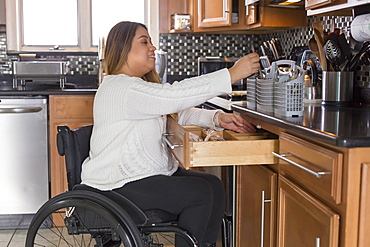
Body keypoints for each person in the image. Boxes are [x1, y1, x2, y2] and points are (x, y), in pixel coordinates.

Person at [81, 21, 260, 247]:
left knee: (212, 184)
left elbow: (174, 112)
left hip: (142, 175)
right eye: (144, 42)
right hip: (118, 183)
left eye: (151, 42)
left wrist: (216, 119)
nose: (152, 47)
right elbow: (175, 96)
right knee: (199, 193)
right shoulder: (123, 88)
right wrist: (231, 74)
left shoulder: (133, 86)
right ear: (122, 48)